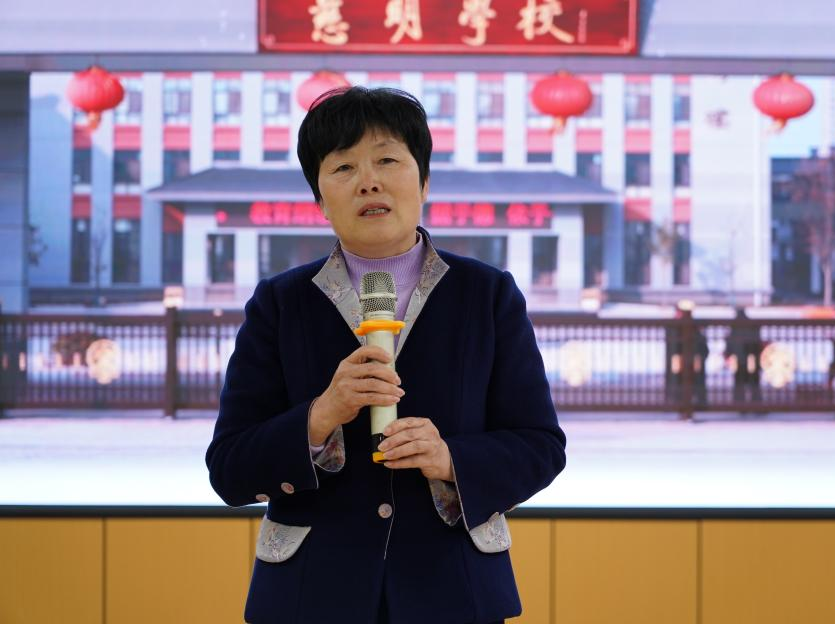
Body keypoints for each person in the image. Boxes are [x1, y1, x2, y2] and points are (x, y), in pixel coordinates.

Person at [205, 86, 567, 624]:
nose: (368, 180)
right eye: (343, 167)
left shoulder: (487, 294)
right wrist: (319, 417)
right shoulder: (280, 303)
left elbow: (541, 447)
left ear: (424, 181)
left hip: (454, 593)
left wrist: (449, 459)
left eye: (387, 160)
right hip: (310, 598)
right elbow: (229, 467)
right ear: (320, 199)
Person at [724, 307, 764, 404]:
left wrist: (728, 352)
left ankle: (739, 403)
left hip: (740, 358)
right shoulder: (752, 324)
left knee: (739, 381)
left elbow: (730, 341)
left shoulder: (734, 325)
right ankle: (756, 402)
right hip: (752, 357)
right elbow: (757, 340)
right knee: (754, 381)